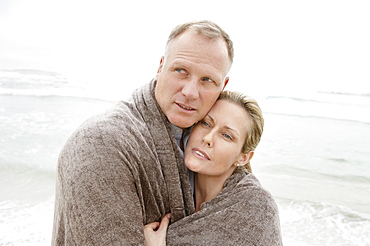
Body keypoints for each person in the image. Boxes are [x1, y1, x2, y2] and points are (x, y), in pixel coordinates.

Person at [52, 20, 233, 245]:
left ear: (222, 86)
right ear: (160, 67)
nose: (190, 92)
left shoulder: (206, 146)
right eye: (181, 71)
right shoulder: (101, 144)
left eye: (207, 80)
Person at [144, 91, 283, 245]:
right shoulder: (166, 183)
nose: (207, 138)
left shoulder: (256, 207)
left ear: (243, 157)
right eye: (206, 123)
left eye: (226, 136)